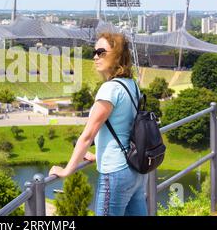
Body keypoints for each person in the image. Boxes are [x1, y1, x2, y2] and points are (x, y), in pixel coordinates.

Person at [49, 32, 147, 216]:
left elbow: (87, 136)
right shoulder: (131, 84)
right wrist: (99, 155)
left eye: (101, 52)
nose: (95, 57)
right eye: (94, 52)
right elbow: (123, 127)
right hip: (135, 170)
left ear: (117, 55)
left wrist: (66, 171)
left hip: (116, 173)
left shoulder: (109, 89)